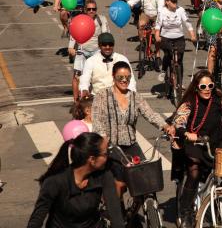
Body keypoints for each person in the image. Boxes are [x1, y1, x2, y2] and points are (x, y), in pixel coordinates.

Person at [171, 69, 222, 228]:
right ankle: (186, 211)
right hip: (197, 143)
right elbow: (179, 121)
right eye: (203, 86)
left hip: (219, 142)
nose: (207, 89)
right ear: (196, 87)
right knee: (194, 170)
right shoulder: (189, 102)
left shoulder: (219, 99)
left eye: (210, 85)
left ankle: (221, 201)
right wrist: (187, 133)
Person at [92, 61, 168, 195]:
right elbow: (98, 120)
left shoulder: (135, 97)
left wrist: (165, 126)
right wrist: (103, 138)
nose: (124, 80)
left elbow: (149, 114)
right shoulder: (102, 95)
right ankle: (117, 212)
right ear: (113, 76)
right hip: (112, 146)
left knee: (146, 180)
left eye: (127, 77)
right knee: (120, 184)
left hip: (131, 144)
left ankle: (148, 209)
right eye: (120, 77)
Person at [26, 132, 124, 228]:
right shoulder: (55, 181)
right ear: (92, 160)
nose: (108, 157)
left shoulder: (104, 175)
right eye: (105, 154)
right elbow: (37, 218)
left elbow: (115, 212)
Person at [68, 0, 110, 101]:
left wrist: (106, 49)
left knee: (97, 75)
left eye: (94, 9)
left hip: (96, 51)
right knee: (76, 76)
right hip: (82, 50)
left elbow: (105, 35)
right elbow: (74, 34)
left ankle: (97, 98)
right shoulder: (79, 19)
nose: (91, 11)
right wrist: (70, 47)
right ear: (85, 10)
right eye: (89, 9)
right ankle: (76, 101)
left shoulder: (102, 20)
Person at [79, 33, 136, 97]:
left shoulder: (121, 59)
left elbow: (131, 79)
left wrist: (131, 94)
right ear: (99, 45)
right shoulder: (91, 61)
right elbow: (85, 78)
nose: (107, 47)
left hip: (118, 96)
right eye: (104, 44)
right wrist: (84, 89)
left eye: (110, 44)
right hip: (97, 97)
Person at [156, 0, 196, 83]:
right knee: (168, 54)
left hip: (179, 37)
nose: (175, 4)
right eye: (173, 2)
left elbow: (187, 23)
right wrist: (157, 36)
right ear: (167, 2)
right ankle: (164, 70)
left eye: (176, 2)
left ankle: (179, 83)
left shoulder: (180, 10)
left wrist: (192, 35)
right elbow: (158, 26)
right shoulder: (162, 11)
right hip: (166, 37)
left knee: (179, 60)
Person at [127, 0, 165, 71]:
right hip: (146, 14)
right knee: (140, 24)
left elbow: (160, 11)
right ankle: (142, 41)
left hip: (157, 15)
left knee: (156, 36)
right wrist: (127, 5)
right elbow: (132, 1)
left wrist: (157, 26)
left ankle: (157, 55)